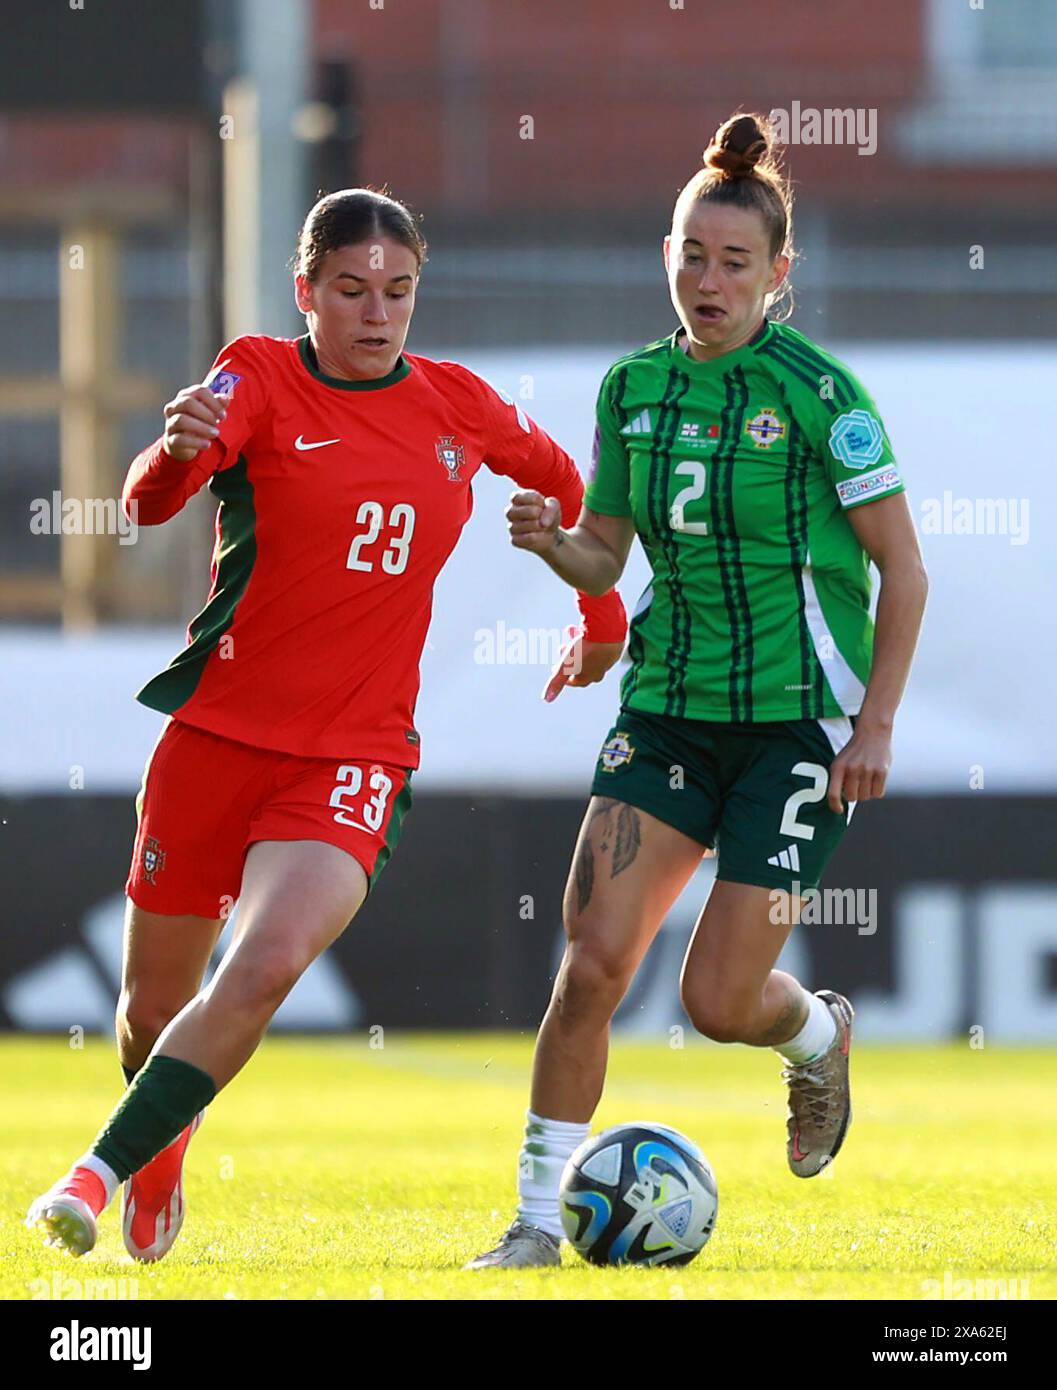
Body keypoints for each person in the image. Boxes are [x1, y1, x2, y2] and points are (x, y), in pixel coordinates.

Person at [26, 187, 627, 1261]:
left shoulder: (458, 404)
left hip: (353, 756)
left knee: (259, 967)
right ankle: (161, 1150)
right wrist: (171, 451)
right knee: (147, 1010)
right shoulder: (255, 374)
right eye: (350, 290)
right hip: (214, 739)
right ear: (305, 290)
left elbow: (567, 483)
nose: (377, 312)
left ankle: (93, 1173)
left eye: (399, 291)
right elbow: (151, 502)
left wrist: (597, 610)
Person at [467, 112, 928, 1269]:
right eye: (689, 255)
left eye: (734, 263)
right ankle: (529, 1226)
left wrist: (872, 723)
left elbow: (904, 568)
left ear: (779, 274)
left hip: (796, 724)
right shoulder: (630, 388)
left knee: (718, 1000)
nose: (707, 281)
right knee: (589, 969)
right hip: (666, 708)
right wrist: (550, 547)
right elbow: (604, 558)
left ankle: (816, 1034)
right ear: (663, 255)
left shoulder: (822, 393)